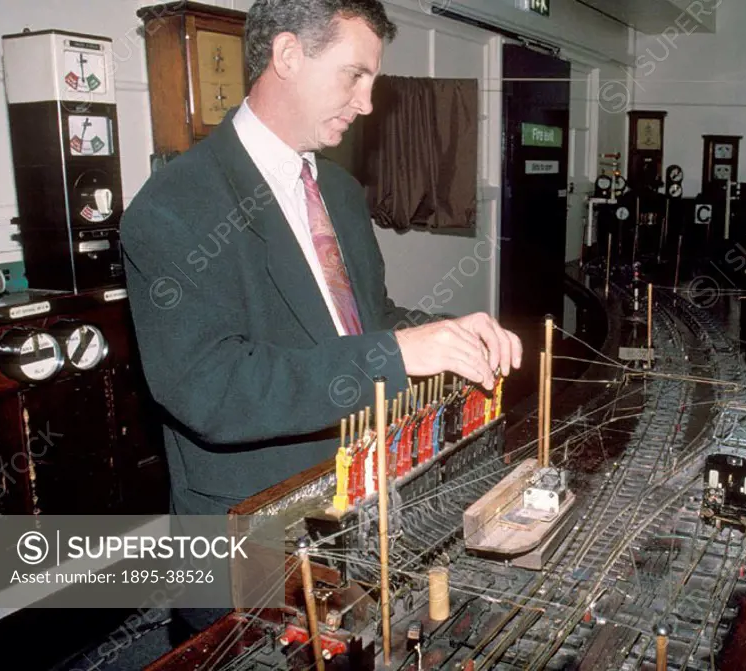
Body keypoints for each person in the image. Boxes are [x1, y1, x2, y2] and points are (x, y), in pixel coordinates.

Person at [120, 0, 521, 641]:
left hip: (355, 509)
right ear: (287, 56)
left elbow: (367, 319)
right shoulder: (174, 206)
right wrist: (397, 354)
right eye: (353, 75)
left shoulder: (335, 190)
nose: (366, 103)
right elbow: (212, 389)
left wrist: (448, 331)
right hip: (247, 540)